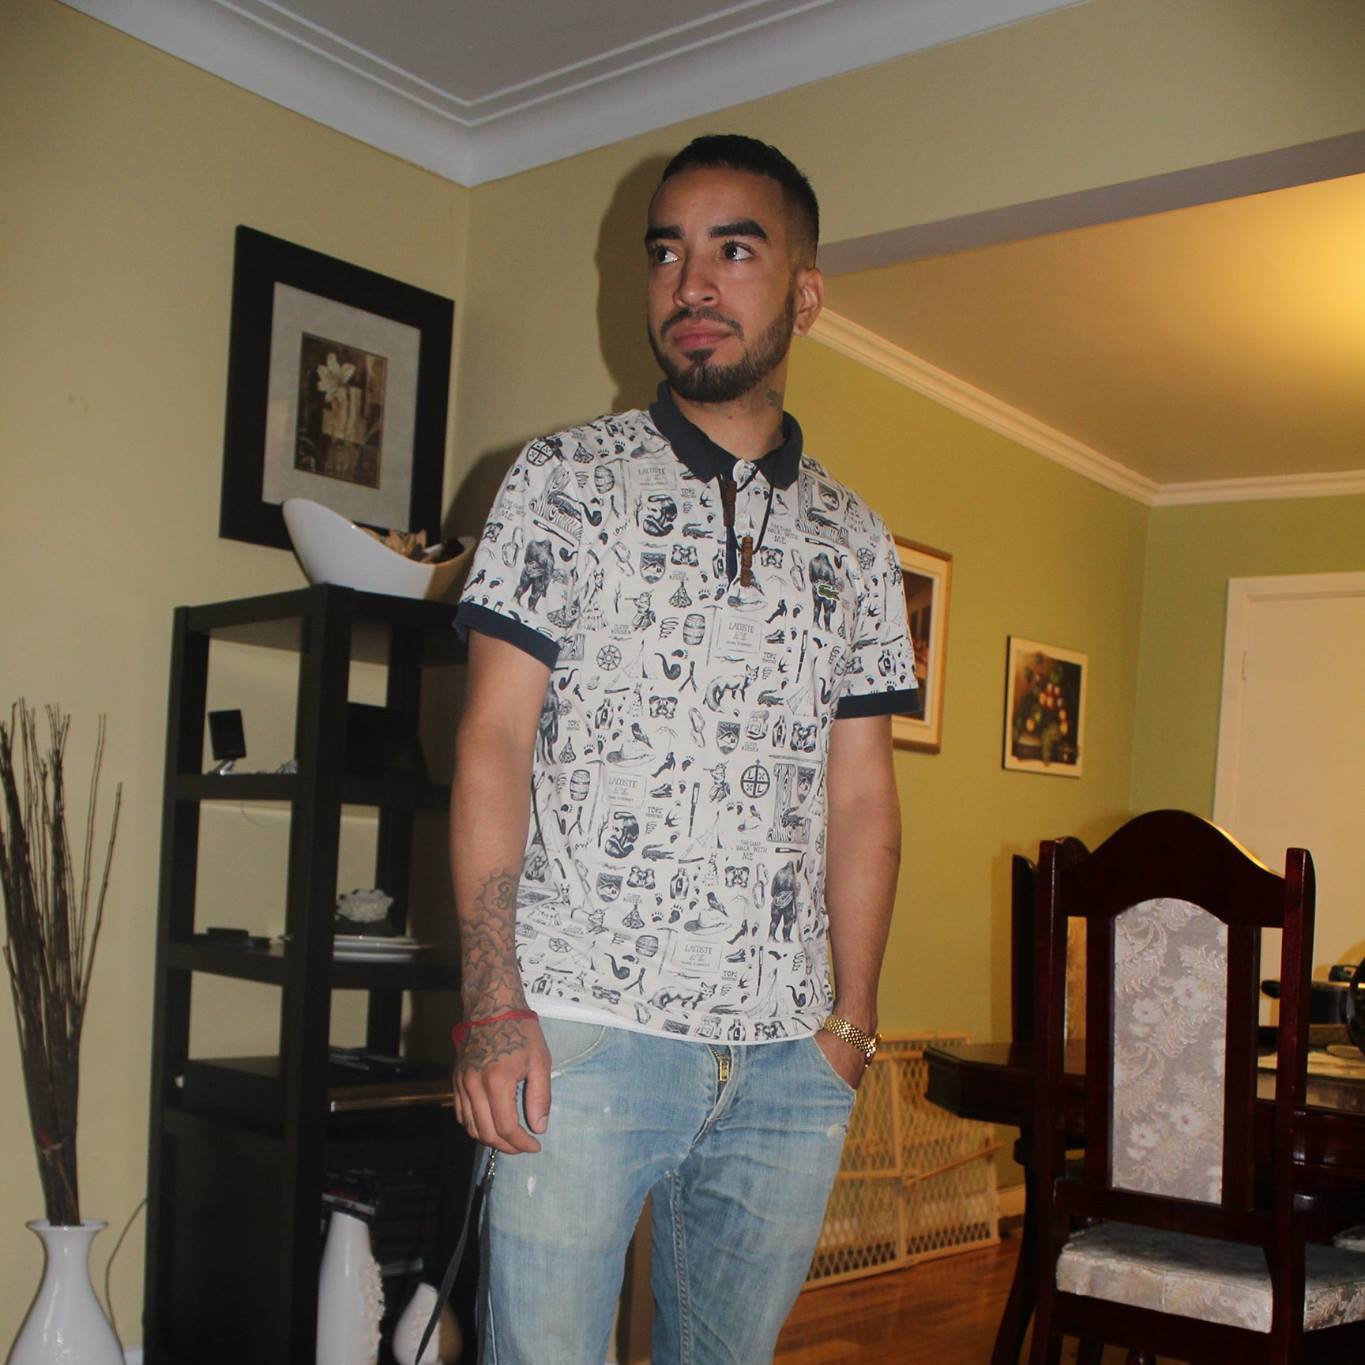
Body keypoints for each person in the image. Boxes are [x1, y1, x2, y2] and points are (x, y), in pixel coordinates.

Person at [449, 133, 917, 1365]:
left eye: (733, 251)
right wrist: (495, 1005)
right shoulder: (561, 482)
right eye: (667, 254)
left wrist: (851, 1026)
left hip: (789, 1061)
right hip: (581, 1037)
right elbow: (493, 739)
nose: (690, 284)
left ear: (804, 294)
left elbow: (862, 797)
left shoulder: (857, 541)